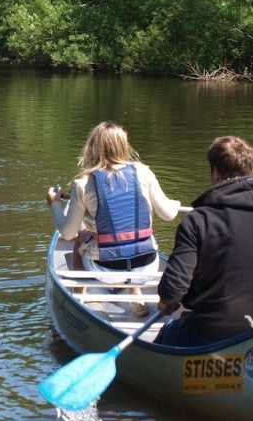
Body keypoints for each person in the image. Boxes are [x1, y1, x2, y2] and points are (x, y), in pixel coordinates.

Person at [156, 135, 253, 346]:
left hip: (209, 334)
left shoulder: (197, 221)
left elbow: (172, 291)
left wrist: (167, 302)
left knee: (167, 333)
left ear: (215, 173)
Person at [46, 121, 182, 317]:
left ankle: (79, 298)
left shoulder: (83, 183)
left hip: (105, 270)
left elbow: (67, 233)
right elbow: (168, 214)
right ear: (124, 146)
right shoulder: (144, 172)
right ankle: (135, 294)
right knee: (130, 237)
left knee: (80, 237)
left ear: (92, 148)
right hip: (147, 266)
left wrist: (54, 204)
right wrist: (175, 204)